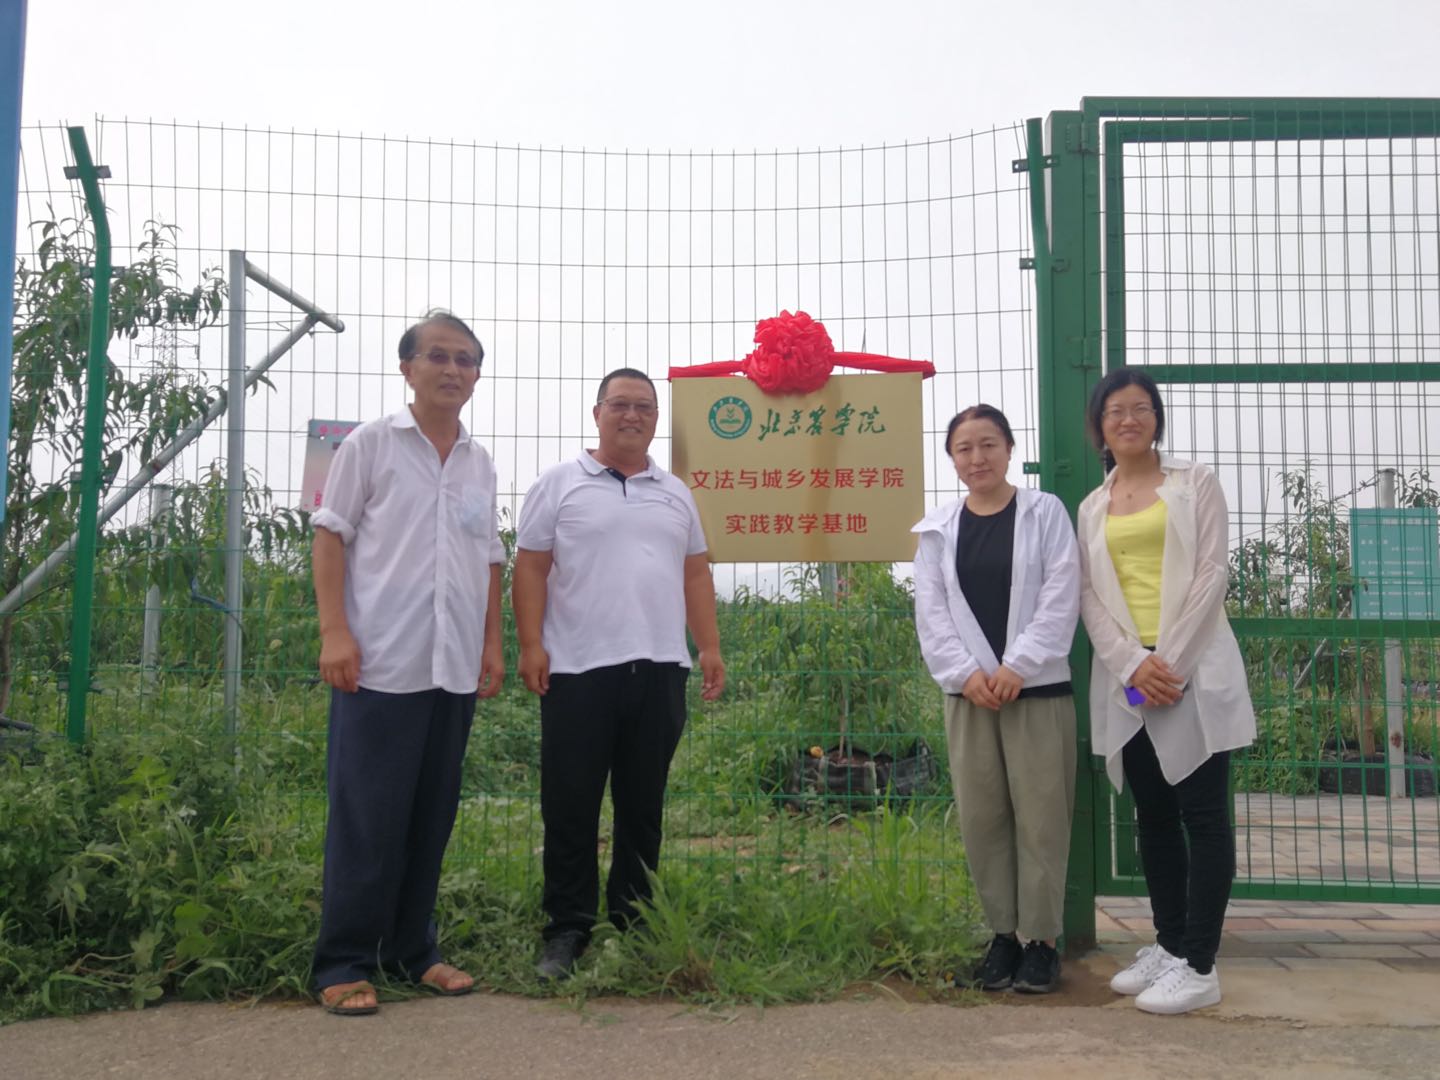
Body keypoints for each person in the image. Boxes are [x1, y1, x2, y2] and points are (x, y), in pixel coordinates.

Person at [309, 310, 505, 1016]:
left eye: (466, 359)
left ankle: (412, 951)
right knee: (367, 817)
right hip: (379, 664)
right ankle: (343, 961)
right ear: (408, 368)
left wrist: (491, 643)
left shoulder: (479, 461)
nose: (453, 369)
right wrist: (335, 632)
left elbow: (489, 558)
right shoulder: (369, 445)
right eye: (438, 356)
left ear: (476, 375)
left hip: (452, 666)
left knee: (430, 815)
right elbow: (330, 536)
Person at [512, 368, 725, 981]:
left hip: (659, 669)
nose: (633, 416)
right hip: (577, 670)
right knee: (570, 804)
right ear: (598, 412)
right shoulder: (559, 484)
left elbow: (694, 574)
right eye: (621, 404)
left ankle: (634, 919)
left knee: (642, 804)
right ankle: (567, 928)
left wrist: (709, 647)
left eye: (645, 408)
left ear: (656, 419)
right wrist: (531, 644)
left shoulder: (675, 492)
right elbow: (530, 568)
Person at [1077, 368, 1255, 1015]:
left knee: (1203, 816)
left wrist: (1166, 662)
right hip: (1131, 680)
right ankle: (1170, 943)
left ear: (1156, 418)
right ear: (1099, 427)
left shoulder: (1194, 482)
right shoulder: (1092, 506)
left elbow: (1212, 573)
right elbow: (1089, 595)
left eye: (1141, 408)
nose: (1129, 419)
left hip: (1189, 672)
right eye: (1115, 411)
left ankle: (1200, 965)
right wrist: (1133, 665)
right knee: (1152, 815)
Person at [912, 404, 1080, 994]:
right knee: (983, 818)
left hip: (1036, 691)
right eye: (964, 448)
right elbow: (931, 612)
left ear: (1009, 449)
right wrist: (966, 674)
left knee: (1042, 817)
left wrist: (1019, 666)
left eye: (988, 444)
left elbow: (1062, 592)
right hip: (971, 696)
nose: (977, 457)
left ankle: (1042, 942)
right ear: (952, 458)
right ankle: (1002, 935)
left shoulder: (1044, 512)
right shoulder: (937, 531)